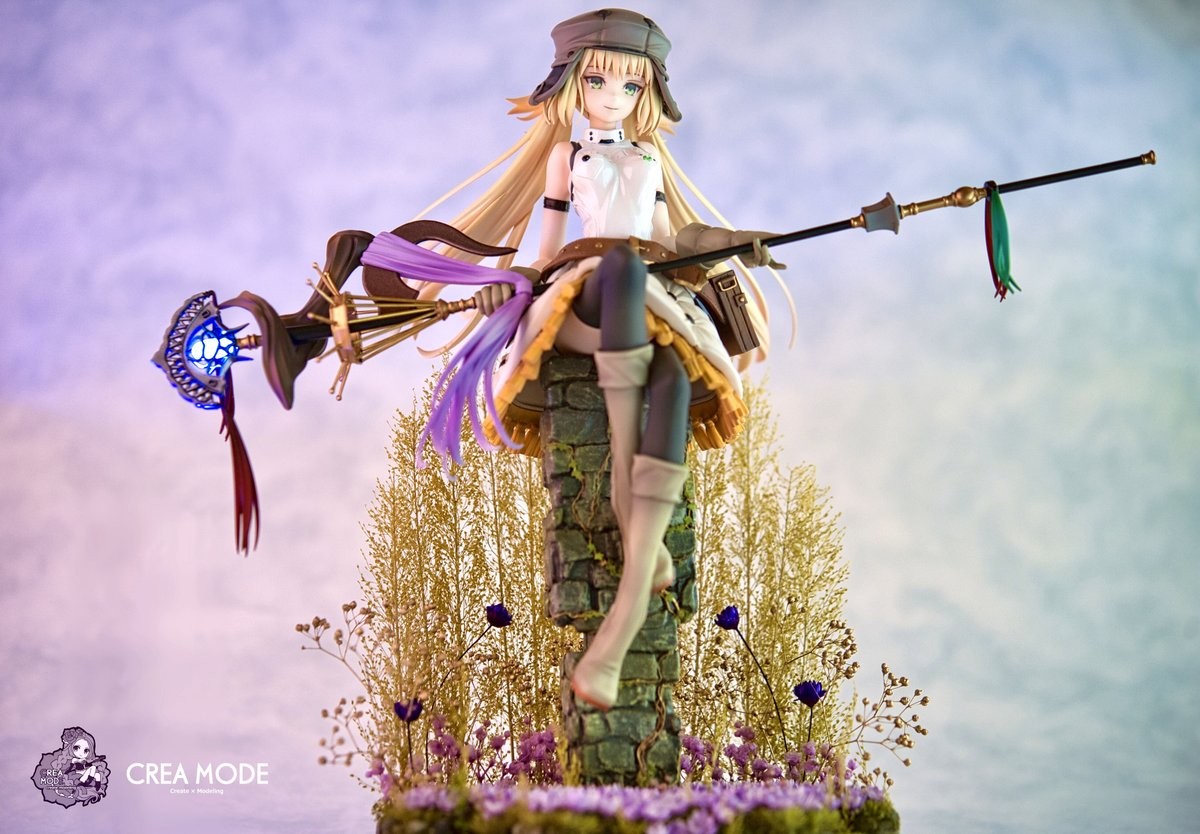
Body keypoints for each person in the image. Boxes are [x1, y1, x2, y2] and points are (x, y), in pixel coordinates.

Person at [361, 8, 791, 710]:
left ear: (648, 92)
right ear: (571, 83)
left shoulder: (646, 157)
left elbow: (668, 233)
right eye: (598, 81)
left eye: (630, 85)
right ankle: (628, 507)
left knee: (672, 376)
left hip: (649, 290)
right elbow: (548, 243)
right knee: (618, 270)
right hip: (587, 286)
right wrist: (506, 285)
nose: (613, 96)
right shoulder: (569, 156)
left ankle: (628, 600)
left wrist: (730, 240)